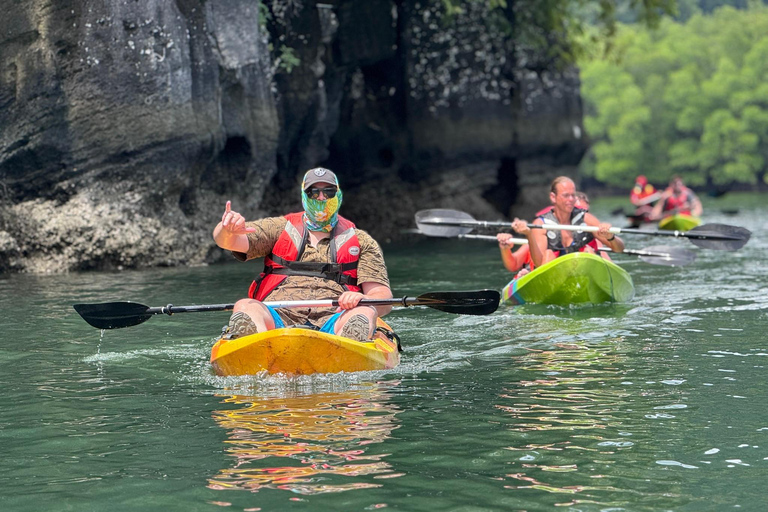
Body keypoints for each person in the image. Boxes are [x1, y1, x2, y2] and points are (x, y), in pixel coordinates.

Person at [212, 167, 393, 341]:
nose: (321, 197)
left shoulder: (361, 241)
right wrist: (227, 229)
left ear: (338, 194)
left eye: (328, 191)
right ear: (304, 196)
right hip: (277, 317)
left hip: (335, 318)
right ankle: (256, 346)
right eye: (313, 192)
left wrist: (364, 299)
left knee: (365, 311)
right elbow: (230, 242)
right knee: (244, 306)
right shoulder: (279, 228)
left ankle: (350, 342)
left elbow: (382, 297)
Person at [510, 177, 625, 268]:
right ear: (553, 197)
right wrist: (529, 234)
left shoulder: (586, 219)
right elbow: (539, 263)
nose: (571, 199)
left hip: (584, 271)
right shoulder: (540, 224)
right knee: (549, 254)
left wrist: (611, 237)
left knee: (588, 252)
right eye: (566, 195)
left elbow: (619, 249)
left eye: (573, 195)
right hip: (556, 276)